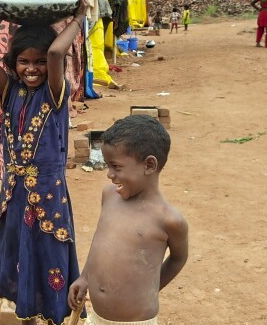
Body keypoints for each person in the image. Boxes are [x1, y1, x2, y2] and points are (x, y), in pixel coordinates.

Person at [0, 0, 89, 325]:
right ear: (13, 64)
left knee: (49, 250)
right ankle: (26, 314)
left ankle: (54, 314)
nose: (33, 68)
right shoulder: (10, 89)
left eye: (38, 61)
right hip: (15, 193)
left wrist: (79, 19)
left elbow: (57, 52)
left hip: (48, 191)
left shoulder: (55, 92)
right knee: (19, 250)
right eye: (24, 61)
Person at [68, 115, 189, 325]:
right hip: (96, 317)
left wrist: (151, 287)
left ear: (149, 165)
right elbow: (99, 244)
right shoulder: (109, 196)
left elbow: (178, 259)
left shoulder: (169, 220)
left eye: (116, 167)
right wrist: (85, 276)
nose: (109, 175)